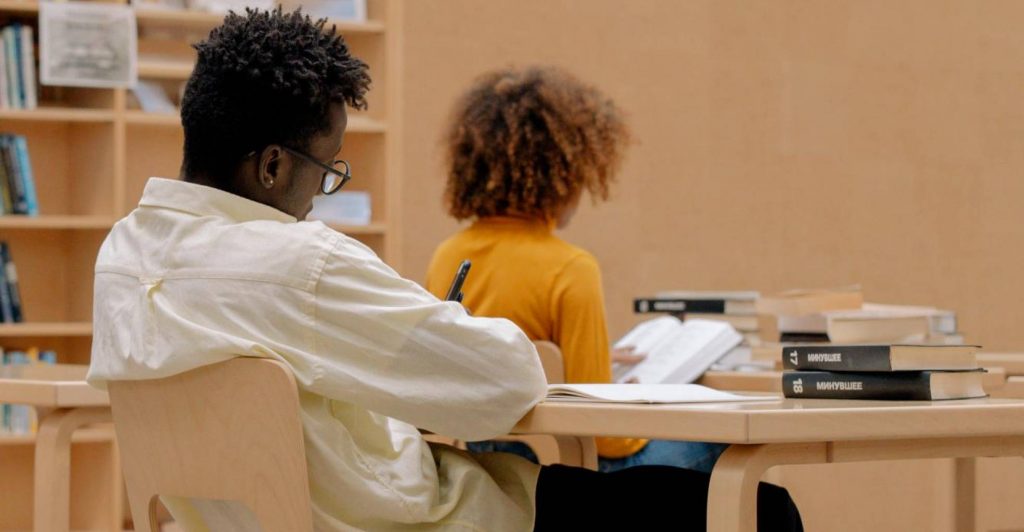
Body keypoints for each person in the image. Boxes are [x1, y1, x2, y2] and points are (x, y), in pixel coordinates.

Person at [87, 9, 801, 531]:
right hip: (422, 519)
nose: (320, 194)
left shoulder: (122, 258)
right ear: (272, 165)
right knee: (758, 506)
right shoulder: (301, 264)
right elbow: (506, 379)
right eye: (325, 170)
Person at [426, 66, 729, 474]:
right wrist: (633, 402)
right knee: (723, 442)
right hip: (576, 474)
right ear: (565, 174)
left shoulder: (448, 256)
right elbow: (606, 438)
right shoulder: (571, 269)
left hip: (487, 464)